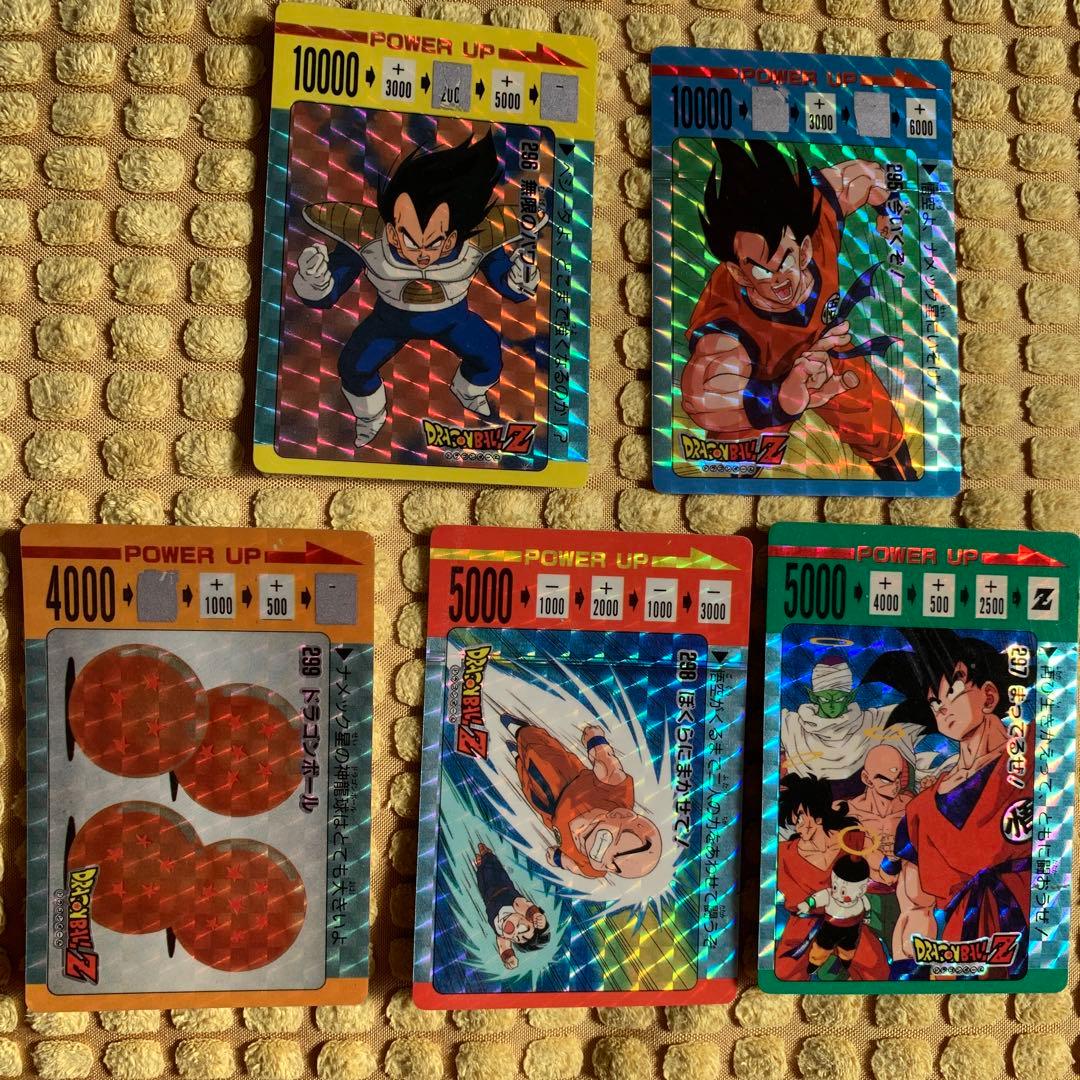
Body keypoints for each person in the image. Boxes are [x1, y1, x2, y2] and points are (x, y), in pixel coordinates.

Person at [292, 130, 545, 446]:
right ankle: (370, 416)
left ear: (453, 237)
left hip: (453, 320)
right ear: (392, 231)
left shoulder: (477, 242)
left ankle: (467, 391)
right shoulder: (367, 239)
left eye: (435, 241)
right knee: (353, 366)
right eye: (411, 239)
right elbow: (330, 290)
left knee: (488, 355)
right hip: (389, 321)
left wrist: (520, 278)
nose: (422, 253)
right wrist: (315, 279)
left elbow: (506, 283)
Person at [681, 139, 915, 481]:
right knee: (737, 460)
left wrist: (888, 208)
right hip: (761, 379)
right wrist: (780, 399)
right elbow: (703, 395)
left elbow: (867, 176)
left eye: (785, 260)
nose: (778, 278)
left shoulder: (817, 216)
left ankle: (904, 486)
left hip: (824, 351)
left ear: (804, 249)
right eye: (761, 270)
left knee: (879, 427)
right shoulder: (727, 321)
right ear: (738, 273)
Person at [864, 629, 1033, 974]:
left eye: (952, 691)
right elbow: (914, 908)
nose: (941, 708)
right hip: (961, 953)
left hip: (1031, 934)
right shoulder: (921, 810)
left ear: (989, 696)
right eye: (933, 702)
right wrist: (908, 976)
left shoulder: (1031, 759)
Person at [502, 715, 662, 881]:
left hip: (549, 812)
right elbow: (609, 767)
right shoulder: (617, 795)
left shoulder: (593, 869)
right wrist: (596, 741)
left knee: (527, 783)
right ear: (620, 815)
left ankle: (519, 759)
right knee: (539, 747)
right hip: (565, 777)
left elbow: (577, 868)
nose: (582, 840)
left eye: (596, 856)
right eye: (601, 840)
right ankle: (523, 731)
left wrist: (559, 859)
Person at [774, 773, 890, 981]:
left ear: (818, 814)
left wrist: (891, 866)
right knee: (784, 972)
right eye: (794, 821)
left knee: (876, 967)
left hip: (848, 920)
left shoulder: (851, 839)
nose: (798, 826)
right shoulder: (784, 854)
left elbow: (883, 869)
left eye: (800, 817)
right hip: (805, 925)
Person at [473, 843, 549, 969]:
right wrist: (536, 915)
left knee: (481, 875)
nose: (515, 933)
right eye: (522, 928)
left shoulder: (502, 933)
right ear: (525, 917)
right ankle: (486, 853)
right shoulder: (516, 905)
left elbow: (503, 945)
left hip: (487, 895)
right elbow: (525, 906)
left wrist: (508, 957)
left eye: (516, 939)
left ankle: (481, 864)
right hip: (500, 883)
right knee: (491, 865)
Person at [796, 854, 874, 975]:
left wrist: (867, 917)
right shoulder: (829, 894)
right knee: (822, 946)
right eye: (835, 887)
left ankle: (846, 959)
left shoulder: (863, 899)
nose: (837, 894)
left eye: (843, 891)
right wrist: (807, 904)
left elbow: (867, 908)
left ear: (862, 889)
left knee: (848, 946)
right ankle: (815, 961)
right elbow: (816, 899)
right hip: (830, 928)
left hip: (852, 929)